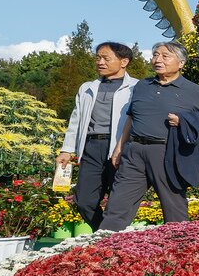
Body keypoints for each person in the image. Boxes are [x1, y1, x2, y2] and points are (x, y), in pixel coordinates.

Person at [101, 41, 199, 230]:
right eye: (155, 55)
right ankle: (104, 242)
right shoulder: (143, 85)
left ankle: (179, 243)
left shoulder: (193, 90)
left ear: (181, 63)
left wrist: (183, 120)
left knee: (174, 207)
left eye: (165, 56)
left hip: (166, 151)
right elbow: (131, 118)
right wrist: (119, 148)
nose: (157, 60)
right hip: (134, 151)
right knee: (117, 205)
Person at [57, 41, 139, 229]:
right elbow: (76, 120)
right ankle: (105, 234)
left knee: (118, 202)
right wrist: (67, 150)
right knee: (84, 200)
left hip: (122, 148)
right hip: (92, 148)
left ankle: (111, 236)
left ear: (124, 61)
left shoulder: (137, 87)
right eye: (98, 58)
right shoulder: (87, 88)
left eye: (106, 58)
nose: (100, 62)